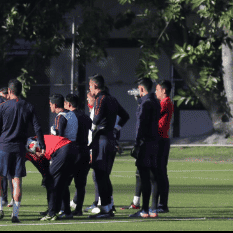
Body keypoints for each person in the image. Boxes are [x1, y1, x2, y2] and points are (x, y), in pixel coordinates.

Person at [0, 79, 46, 223]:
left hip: (4, 146)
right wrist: (42, 144)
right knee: (16, 180)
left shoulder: (3, 106)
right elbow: (37, 126)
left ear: (9, 91)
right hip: (20, 148)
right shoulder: (28, 106)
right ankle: (15, 214)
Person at [88, 75, 130, 219]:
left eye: (90, 86)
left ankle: (105, 209)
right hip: (110, 139)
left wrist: (91, 129)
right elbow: (125, 116)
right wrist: (116, 129)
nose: (89, 89)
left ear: (95, 86)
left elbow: (97, 117)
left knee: (100, 174)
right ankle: (108, 206)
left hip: (102, 140)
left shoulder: (101, 99)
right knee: (104, 175)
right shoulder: (112, 99)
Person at [129, 78, 161, 219]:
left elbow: (140, 124)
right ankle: (154, 209)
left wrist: (137, 143)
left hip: (145, 142)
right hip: (155, 141)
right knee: (154, 176)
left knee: (144, 176)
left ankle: (144, 210)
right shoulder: (156, 102)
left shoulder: (145, 103)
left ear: (141, 89)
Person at [28, 132, 76, 221]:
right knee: (63, 182)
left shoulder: (30, 146)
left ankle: (51, 213)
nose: (37, 152)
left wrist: (46, 177)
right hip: (71, 148)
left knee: (50, 182)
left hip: (62, 149)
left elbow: (42, 163)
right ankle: (67, 211)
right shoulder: (35, 140)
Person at [64, 93, 91, 216]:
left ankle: (64, 209)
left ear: (69, 104)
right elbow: (92, 131)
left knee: (64, 182)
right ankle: (78, 209)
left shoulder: (68, 116)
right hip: (84, 151)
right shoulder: (85, 116)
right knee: (80, 184)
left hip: (73, 151)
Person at [155, 80, 173, 213]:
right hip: (161, 139)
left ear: (164, 90)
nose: (156, 93)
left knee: (160, 172)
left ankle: (162, 204)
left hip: (161, 140)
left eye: (157, 90)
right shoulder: (164, 103)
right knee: (159, 172)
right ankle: (158, 203)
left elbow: (154, 115)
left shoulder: (165, 102)